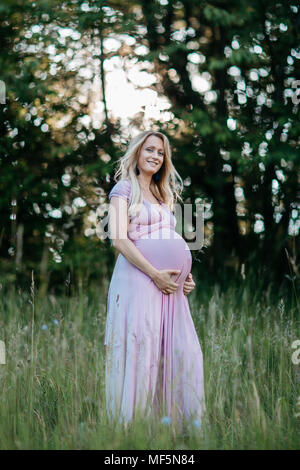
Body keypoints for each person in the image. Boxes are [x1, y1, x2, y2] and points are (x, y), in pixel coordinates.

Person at [105, 130, 206, 432]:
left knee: (179, 351)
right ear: (137, 153)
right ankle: (131, 430)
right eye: (149, 149)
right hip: (139, 282)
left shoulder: (163, 195)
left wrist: (185, 278)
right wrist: (156, 274)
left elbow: (169, 240)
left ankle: (175, 427)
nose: (154, 156)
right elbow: (119, 240)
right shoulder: (123, 189)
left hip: (170, 291)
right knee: (142, 351)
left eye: (160, 153)